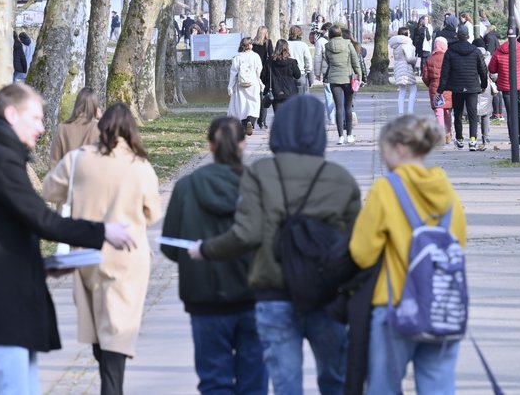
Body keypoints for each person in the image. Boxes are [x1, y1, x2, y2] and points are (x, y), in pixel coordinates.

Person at [188, 95, 362, 395]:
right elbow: (357, 244)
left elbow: (246, 234)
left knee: (285, 384)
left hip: (274, 293)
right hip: (328, 295)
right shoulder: (341, 179)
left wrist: (205, 249)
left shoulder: (260, 172)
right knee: (336, 380)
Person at [0, 84, 134, 395]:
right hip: (2, 306)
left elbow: (0, 233)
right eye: (35, 118)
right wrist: (103, 232)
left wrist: (42, 264)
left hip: (8, 301)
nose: (42, 128)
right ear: (10, 114)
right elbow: (42, 219)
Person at [42, 103, 161, 395]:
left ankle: (110, 381)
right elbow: (152, 213)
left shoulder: (79, 160)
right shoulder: (139, 165)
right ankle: (112, 387)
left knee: (98, 326)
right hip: (127, 257)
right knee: (118, 329)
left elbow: (49, 190)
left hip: (88, 253)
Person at [348, 115, 467, 394]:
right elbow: (457, 245)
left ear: (399, 148)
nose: (383, 159)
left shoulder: (386, 189)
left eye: (384, 151)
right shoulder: (447, 193)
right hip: (442, 309)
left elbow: (362, 254)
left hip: (395, 307)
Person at [161, 117, 268, 394]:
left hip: (205, 296)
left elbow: (170, 245)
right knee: (254, 380)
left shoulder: (186, 187)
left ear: (209, 146)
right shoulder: (258, 186)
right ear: (243, 144)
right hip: (252, 295)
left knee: (213, 381)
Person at [437, 27, 487, 151]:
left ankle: (459, 140)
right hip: (472, 87)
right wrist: (484, 84)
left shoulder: (450, 51)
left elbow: (445, 72)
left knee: (458, 114)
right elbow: (483, 70)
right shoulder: (476, 51)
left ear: (457, 36)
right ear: (468, 36)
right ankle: (473, 141)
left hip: (456, 87)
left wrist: (440, 90)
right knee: (473, 114)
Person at [489, 28, 520, 150]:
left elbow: (492, 69)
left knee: (510, 114)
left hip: (506, 87)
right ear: (518, 36)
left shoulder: (498, 52)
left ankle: (513, 139)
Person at [324, 25, 361, 145]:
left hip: (334, 79)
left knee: (338, 108)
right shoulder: (348, 44)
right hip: (347, 77)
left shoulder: (327, 46)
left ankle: (340, 136)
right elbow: (355, 60)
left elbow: (328, 61)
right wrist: (358, 74)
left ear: (329, 35)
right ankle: (349, 135)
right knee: (348, 107)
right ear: (340, 33)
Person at [49, 86, 101, 168]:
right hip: (91, 178)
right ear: (95, 106)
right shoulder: (99, 128)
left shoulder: (62, 127)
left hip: (67, 177)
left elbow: (54, 161)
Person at [228, 37, 263, 135]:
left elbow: (233, 73)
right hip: (253, 83)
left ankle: (244, 125)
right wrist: (260, 81)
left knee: (242, 104)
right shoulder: (256, 56)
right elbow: (259, 70)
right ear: (250, 45)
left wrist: (230, 86)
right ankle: (250, 121)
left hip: (241, 84)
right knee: (254, 104)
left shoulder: (237, 57)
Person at [422, 37, 453, 145]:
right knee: (448, 112)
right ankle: (448, 134)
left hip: (435, 88)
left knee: (438, 112)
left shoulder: (430, 59)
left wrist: (430, 84)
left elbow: (425, 76)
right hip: (448, 87)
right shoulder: (449, 57)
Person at [264, 39, 301, 112]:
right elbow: (297, 75)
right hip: (290, 91)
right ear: (287, 49)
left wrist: (270, 82)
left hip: (276, 92)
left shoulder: (270, 62)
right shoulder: (291, 62)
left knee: (278, 116)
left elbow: (263, 76)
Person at [474, 38, 496, 151]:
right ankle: (485, 137)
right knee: (486, 114)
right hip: (486, 87)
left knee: (474, 114)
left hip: (472, 85)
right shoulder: (489, 58)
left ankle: (474, 137)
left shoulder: (471, 56)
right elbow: (494, 75)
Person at [390, 27, 418, 115]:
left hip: (398, 67)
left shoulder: (396, 45)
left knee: (402, 90)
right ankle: (410, 111)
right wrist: (416, 59)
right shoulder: (406, 44)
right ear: (406, 34)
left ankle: (400, 112)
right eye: (408, 32)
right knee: (413, 89)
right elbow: (409, 58)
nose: (410, 34)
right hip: (406, 68)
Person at [314, 22, 336, 126]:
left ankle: (331, 118)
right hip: (338, 71)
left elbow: (318, 58)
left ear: (325, 30)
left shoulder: (320, 42)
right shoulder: (338, 40)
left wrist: (317, 73)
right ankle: (340, 116)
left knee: (328, 94)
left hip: (326, 72)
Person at [251, 26, 273, 129]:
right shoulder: (267, 42)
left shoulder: (253, 43)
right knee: (264, 96)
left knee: (256, 97)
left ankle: (254, 120)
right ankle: (262, 121)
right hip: (265, 71)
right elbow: (271, 56)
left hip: (254, 71)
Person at [286, 26, 313, 95]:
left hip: (288, 74)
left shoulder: (285, 44)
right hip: (301, 74)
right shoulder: (303, 45)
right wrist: (309, 75)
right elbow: (308, 61)